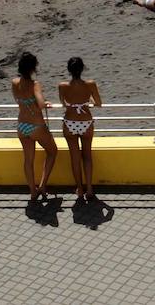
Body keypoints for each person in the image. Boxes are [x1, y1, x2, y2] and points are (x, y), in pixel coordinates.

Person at [12, 52, 58, 203]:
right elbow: (39, 103)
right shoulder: (35, 85)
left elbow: (19, 100)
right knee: (52, 151)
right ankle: (42, 185)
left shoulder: (14, 82)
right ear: (33, 68)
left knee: (28, 160)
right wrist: (46, 103)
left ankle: (33, 192)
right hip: (36, 125)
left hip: (22, 125)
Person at [58, 56, 101, 205]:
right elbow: (99, 103)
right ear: (82, 69)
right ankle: (89, 189)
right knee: (87, 156)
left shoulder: (62, 86)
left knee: (74, 157)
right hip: (85, 122)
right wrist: (87, 103)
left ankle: (79, 188)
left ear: (69, 70)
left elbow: (64, 103)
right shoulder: (90, 84)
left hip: (70, 122)